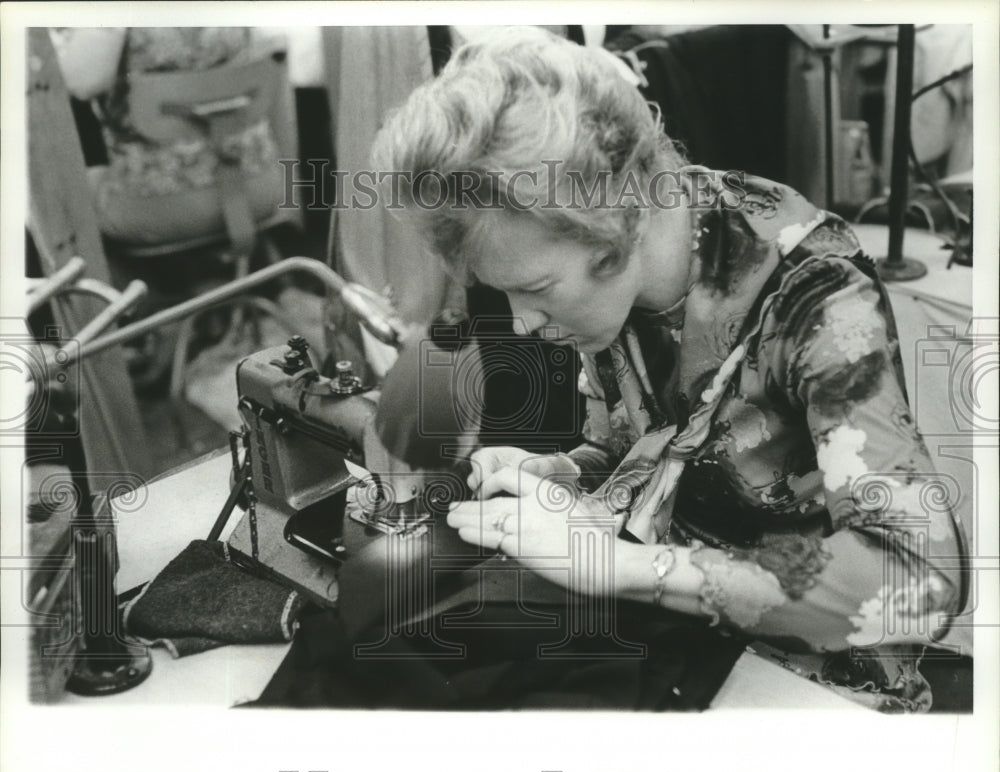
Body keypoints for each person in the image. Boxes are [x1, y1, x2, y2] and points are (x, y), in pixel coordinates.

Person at [372, 27, 967, 711]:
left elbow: (921, 581)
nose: (521, 324)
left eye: (535, 288)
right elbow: (637, 452)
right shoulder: (614, 282)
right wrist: (563, 475)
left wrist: (625, 565)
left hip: (815, 683)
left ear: (618, 225)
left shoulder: (816, 295)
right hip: (676, 645)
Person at [50, 27, 286, 246]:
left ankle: (103, 277)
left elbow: (81, 84)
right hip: (257, 187)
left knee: (54, 191)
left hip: (153, 207)